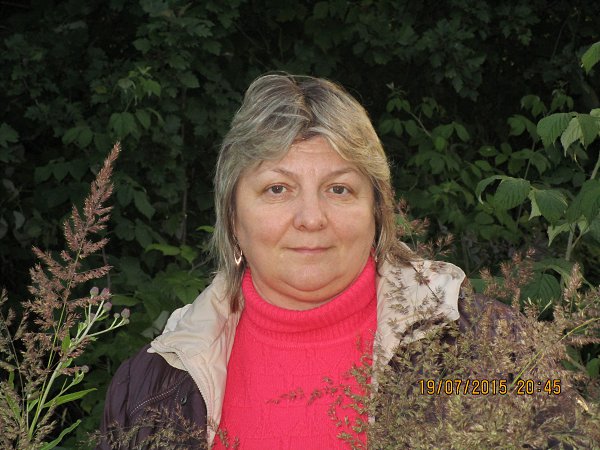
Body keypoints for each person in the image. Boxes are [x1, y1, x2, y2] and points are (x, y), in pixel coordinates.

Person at [99, 74, 466, 449]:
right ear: (233, 218)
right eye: (277, 189)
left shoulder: (481, 350)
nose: (311, 218)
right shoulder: (148, 388)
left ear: (376, 210)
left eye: (339, 189)